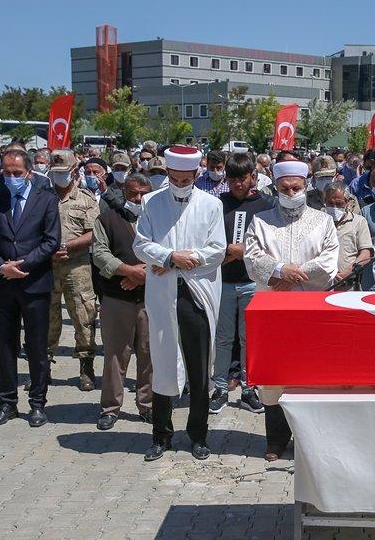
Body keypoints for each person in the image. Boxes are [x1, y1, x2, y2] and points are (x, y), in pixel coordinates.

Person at [133, 146, 226, 461]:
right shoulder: (151, 202)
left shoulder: (211, 205)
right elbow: (141, 244)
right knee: (162, 362)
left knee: (199, 367)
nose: (180, 183)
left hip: (197, 293)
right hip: (163, 294)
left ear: (197, 175)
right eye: (174, 178)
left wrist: (180, 260)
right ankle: (161, 435)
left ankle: (198, 435)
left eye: (186, 179)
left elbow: (216, 250)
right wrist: (170, 256)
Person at [245, 159, 339, 462]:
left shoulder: (323, 221)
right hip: (272, 308)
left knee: (310, 373)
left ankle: (309, 441)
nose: (291, 192)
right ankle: (275, 439)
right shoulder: (261, 221)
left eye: (296, 187)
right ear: (276, 188)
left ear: (306, 187)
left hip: (311, 308)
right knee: (273, 375)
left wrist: (294, 273)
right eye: (285, 188)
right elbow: (251, 256)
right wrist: (278, 269)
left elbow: (329, 262)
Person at [0, 149, 61, 428]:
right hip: (3, 284)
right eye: (6, 172)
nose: (11, 177)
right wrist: (2, 267)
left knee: (36, 346)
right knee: (6, 345)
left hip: (34, 283)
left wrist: (23, 266)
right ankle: (7, 403)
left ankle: (38, 403)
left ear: (28, 172)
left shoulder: (46, 200)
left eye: (17, 173)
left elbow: (51, 241)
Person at [210, 153, 274, 415]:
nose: (237, 183)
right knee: (223, 338)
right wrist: (226, 251)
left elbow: (273, 242)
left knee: (250, 339)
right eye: (232, 178)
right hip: (223, 282)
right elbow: (207, 239)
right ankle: (221, 387)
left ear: (253, 178)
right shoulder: (217, 204)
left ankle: (249, 387)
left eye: (243, 178)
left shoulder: (266, 205)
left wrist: (244, 251)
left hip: (253, 281)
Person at [91, 172, 154, 430]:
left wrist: (143, 276)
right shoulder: (106, 220)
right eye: (132, 194)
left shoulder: (159, 220)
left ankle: (148, 405)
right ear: (123, 193)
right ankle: (110, 407)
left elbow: (170, 252)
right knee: (115, 354)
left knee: (150, 355)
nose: (138, 198)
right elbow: (100, 254)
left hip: (152, 298)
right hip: (117, 297)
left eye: (143, 194)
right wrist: (128, 271)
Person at [46, 153, 100, 391]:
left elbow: (95, 233)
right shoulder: (42, 198)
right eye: (55, 172)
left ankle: (86, 366)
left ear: (75, 170)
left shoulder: (86, 199)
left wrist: (66, 247)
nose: (59, 177)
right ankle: (43, 366)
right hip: (46, 266)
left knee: (83, 315)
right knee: (46, 317)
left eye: (63, 171)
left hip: (77, 266)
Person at [327, 182, 373, 291]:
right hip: (323, 284)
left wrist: (345, 274)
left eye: (338, 204)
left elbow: (366, 254)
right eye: (330, 203)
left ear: (347, 202)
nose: (334, 208)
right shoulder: (319, 221)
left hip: (349, 285)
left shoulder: (359, 222)